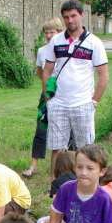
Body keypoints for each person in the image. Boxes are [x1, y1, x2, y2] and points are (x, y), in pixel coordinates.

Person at [42, 0, 109, 176]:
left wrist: (94, 101)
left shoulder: (94, 42)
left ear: (81, 15)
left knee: (86, 149)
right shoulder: (56, 41)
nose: (70, 20)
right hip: (59, 104)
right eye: (66, 17)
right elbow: (47, 70)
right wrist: (49, 99)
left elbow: (103, 75)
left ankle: (85, 182)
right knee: (57, 148)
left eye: (73, 16)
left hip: (83, 103)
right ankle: (55, 185)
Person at [23, 17, 64, 178]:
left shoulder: (65, 49)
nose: (48, 35)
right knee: (41, 128)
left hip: (65, 95)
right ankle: (33, 166)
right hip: (47, 94)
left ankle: (61, 168)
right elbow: (40, 73)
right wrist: (48, 86)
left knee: (64, 131)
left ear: (59, 32)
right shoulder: (42, 51)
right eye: (46, 32)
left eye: (51, 32)